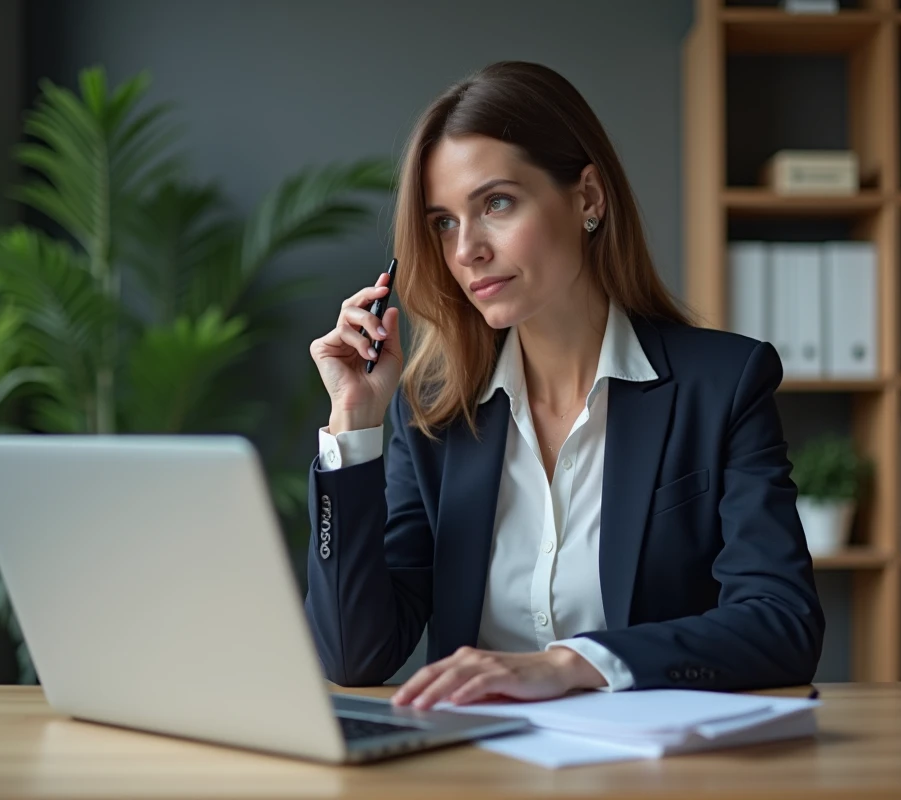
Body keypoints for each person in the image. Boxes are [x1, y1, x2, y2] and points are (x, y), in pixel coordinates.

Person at [305, 60, 824, 711]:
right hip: (477, 767)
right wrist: (354, 424)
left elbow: (782, 621)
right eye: (443, 222)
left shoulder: (721, 386)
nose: (467, 249)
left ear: (587, 198)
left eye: (496, 203)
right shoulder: (432, 415)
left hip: (659, 768)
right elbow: (355, 656)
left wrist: (574, 664)